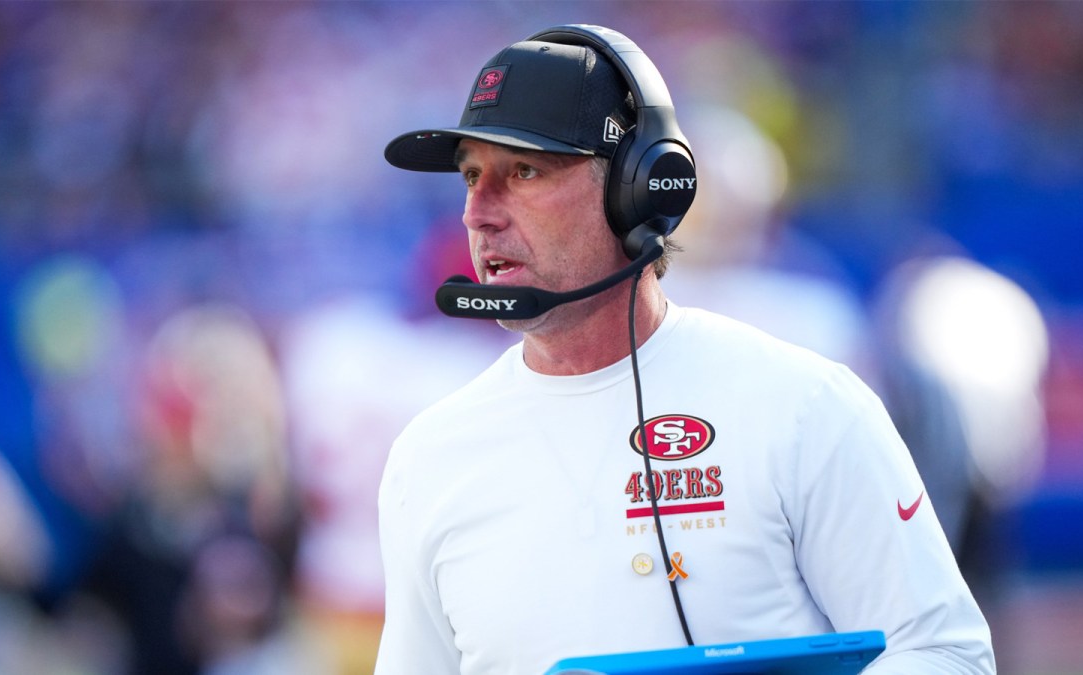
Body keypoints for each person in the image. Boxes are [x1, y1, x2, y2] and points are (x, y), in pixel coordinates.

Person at [375, 24, 995, 674]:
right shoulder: (428, 456)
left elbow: (947, 654)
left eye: (524, 170)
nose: (478, 213)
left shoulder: (804, 406)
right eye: (471, 176)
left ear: (639, 187)